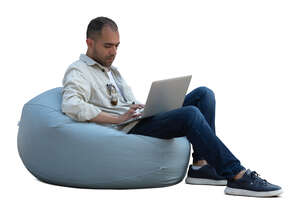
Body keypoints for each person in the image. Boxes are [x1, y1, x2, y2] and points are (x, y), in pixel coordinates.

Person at [61, 16, 282, 197]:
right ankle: (237, 176)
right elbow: (71, 105)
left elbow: (125, 102)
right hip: (126, 127)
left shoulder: (111, 69)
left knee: (203, 94)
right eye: (108, 46)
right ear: (90, 42)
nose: (114, 52)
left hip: (136, 118)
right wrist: (117, 119)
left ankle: (201, 166)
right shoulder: (78, 71)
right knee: (190, 115)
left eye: (117, 46)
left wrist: (146, 106)